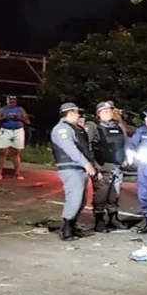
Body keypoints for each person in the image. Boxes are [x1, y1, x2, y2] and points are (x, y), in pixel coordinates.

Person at [50, 103, 98, 241]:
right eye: (77, 112)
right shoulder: (62, 129)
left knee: (81, 200)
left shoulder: (74, 128)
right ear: (70, 113)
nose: (79, 115)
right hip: (70, 167)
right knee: (74, 198)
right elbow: (70, 148)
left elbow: (85, 147)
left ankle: (72, 226)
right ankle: (67, 229)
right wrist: (86, 164)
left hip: (78, 167)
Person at [86, 102, 129, 232]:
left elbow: (125, 142)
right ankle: (99, 220)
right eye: (105, 111)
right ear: (98, 113)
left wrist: (126, 157)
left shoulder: (117, 125)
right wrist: (94, 164)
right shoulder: (94, 126)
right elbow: (89, 146)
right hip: (102, 166)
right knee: (101, 194)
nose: (109, 113)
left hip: (117, 166)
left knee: (114, 195)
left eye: (110, 111)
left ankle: (113, 218)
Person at [0, 95, 31, 180]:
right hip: (6, 130)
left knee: (16, 152)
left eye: (13, 101)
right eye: (10, 101)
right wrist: (4, 117)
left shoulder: (20, 109)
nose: (12, 102)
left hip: (18, 131)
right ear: (7, 101)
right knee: (3, 152)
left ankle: (17, 173)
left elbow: (28, 121)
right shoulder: (2, 109)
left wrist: (19, 118)